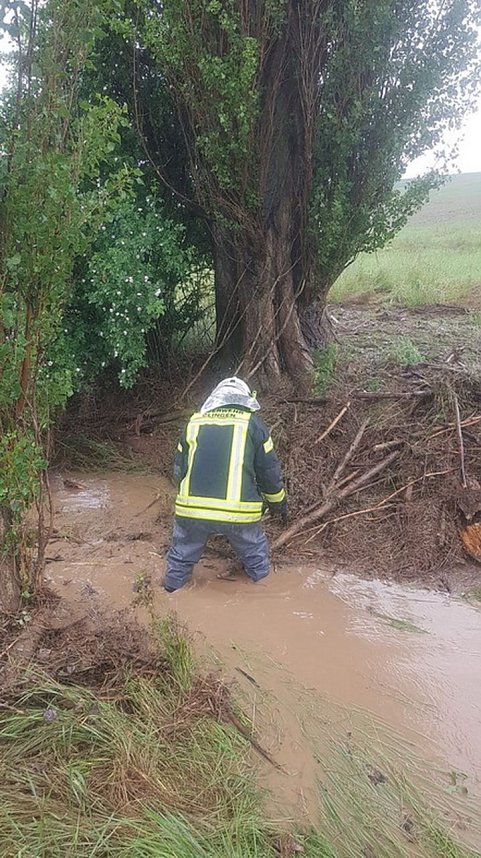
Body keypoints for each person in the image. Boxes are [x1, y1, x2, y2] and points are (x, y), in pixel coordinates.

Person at [163, 377, 287, 592]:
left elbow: (178, 471)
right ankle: (266, 598)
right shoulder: (253, 424)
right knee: (256, 561)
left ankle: (169, 595)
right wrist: (279, 505)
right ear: (245, 399)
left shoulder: (194, 422)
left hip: (191, 512)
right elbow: (268, 473)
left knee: (180, 559)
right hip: (237, 513)